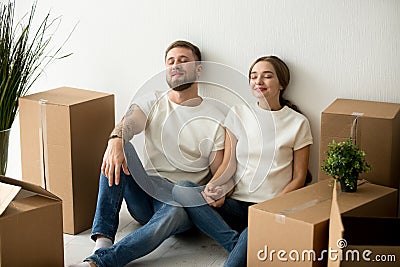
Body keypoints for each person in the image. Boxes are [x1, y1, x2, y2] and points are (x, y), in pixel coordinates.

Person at [70, 40, 227, 267]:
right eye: (170, 61)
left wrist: (218, 188)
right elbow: (130, 123)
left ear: (199, 68)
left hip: (182, 200)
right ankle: (102, 242)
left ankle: (99, 263)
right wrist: (115, 140)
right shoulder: (154, 100)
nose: (176, 65)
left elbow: (218, 170)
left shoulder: (215, 115)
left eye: (183, 60)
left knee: (176, 206)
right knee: (119, 147)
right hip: (146, 194)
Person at [173, 55, 313, 267]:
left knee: (243, 247)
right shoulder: (239, 113)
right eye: (253, 76)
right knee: (182, 189)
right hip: (235, 205)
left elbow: (299, 177)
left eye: (267, 76)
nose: (259, 81)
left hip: (269, 208)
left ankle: (247, 243)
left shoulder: (297, 122)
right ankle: (239, 243)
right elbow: (229, 163)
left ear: (282, 84)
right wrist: (214, 187)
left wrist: (272, 210)